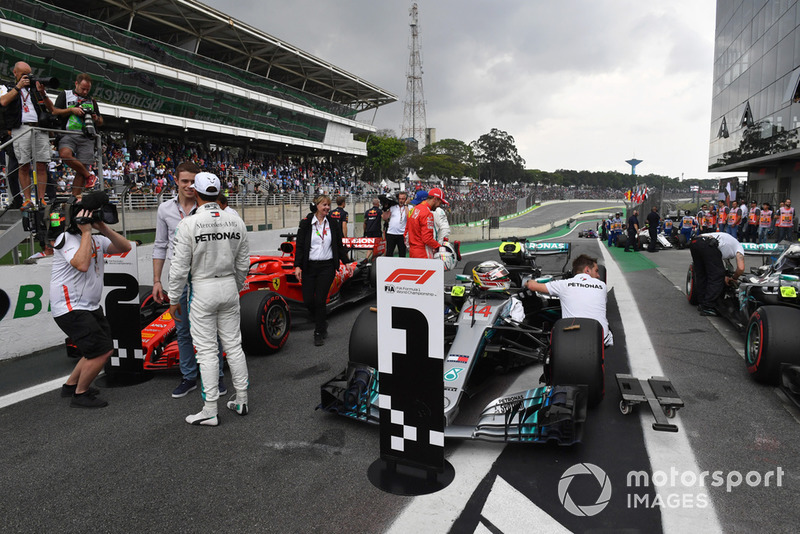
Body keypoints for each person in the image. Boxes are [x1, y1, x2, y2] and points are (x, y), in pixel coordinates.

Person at [167, 172, 250, 426]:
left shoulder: (188, 224)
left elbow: (179, 268)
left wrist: (173, 299)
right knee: (234, 346)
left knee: (206, 352)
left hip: (202, 289)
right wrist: (234, 286)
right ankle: (242, 399)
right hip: (228, 286)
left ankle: (210, 409)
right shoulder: (236, 221)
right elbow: (243, 263)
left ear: (197, 192)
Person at [152, 162, 226, 398]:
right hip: (179, 280)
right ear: (176, 181)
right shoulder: (165, 209)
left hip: (205, 277)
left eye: (193, 182)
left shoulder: (210, 209)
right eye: (184, 181)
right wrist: (156, 281)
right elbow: (160, 245)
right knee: (183, 330)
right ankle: (188, 377)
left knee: (212, 330)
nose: (189, 186)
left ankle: (217, 376)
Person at [51, 198, 132, 408]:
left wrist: (102, 227)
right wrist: (86, 232)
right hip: (71, 307)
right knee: (101, 351)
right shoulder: (66, 238)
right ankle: (81, 394)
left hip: (90, 306)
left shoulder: (96, 240)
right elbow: (82, 264)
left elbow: (125, 247)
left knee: (95, 350)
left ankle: (71, 385)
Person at [525, 254, 613, 346]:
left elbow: (531, 286)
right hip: (600, 338)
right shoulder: (602, 286)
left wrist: (528, 282)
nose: (598, 275)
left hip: (572, 339)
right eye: (596, 271)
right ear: (587, 270)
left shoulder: (564, 284)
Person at [294, 194, 347, 346]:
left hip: (327, 266)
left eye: (328, 205)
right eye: (324, 205)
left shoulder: (332, 223)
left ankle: (318, 332)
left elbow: (339, 245)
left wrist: (347, 262)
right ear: (317, 206)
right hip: (309, 267)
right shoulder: (306, 223)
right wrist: (297, 265)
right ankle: (322, 321)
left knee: (320, 300)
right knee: (308, 300)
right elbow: (300, 246)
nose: (327, 208)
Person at [0, 61, 53, 210]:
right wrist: (19, 87)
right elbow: (3, 102)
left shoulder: (35, 88)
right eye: (23, 74)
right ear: (15, 73)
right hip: (21, 128)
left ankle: (41, 199)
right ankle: (27, 199)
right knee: (23, 165)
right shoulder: (8, 88)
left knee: (41, 164)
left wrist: (42, 92)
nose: (27, 77)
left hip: (39, 127)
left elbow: (51, 109)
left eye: (29, 74)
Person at [49, 73, 102, 198]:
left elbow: (100, 121)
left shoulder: (91, 100)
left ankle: (75, 198)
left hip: (87, 135)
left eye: (87, 89)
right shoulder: (65, 95)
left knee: (82, 167)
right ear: (76, 84)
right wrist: (72, 110)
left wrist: (95, 117)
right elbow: (54, 111)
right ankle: (89, 176)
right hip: (68, 133)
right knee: (65, 154)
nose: (85, 92)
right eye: (83, 88)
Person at [688, 231, 745, 317]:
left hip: (695, 242)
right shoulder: (739, 247)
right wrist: (734, 278)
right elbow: (741, 268)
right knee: (718, 275)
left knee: (702, 274)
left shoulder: (728, 243)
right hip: (708, 244)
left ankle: (702, 303)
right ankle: (708, 305)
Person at [407, 187, 447, 258]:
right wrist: (439, 247)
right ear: (435, 199)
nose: (439, 206)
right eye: (440, 202)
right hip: (423, 252)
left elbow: (406, 234)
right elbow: (427, 238)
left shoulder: (412, 210)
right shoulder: (427, 213)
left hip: (412, 251)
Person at [382, 191, 408, 257]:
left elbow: (409, 216)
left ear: (405, 199)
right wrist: (385, 208)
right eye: (400, 199)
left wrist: (405, 205)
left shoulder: (408, 207)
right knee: (389, 253)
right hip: (391, 233)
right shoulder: (393, 207)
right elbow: (385, 217)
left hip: (402, 234)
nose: (401, 200)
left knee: (402, 253)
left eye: (403, 199)